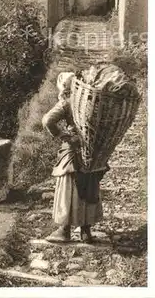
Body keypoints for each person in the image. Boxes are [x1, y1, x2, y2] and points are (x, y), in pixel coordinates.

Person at [42, 72, 108, 243]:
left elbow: (47, 120)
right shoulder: (92, 100)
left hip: (73, 151)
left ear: (64, 87)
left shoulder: (67, 103)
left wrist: (64, 135)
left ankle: (64, 230)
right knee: (89, 185)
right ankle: (86, 231)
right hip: (92, 150)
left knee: (69, 186)